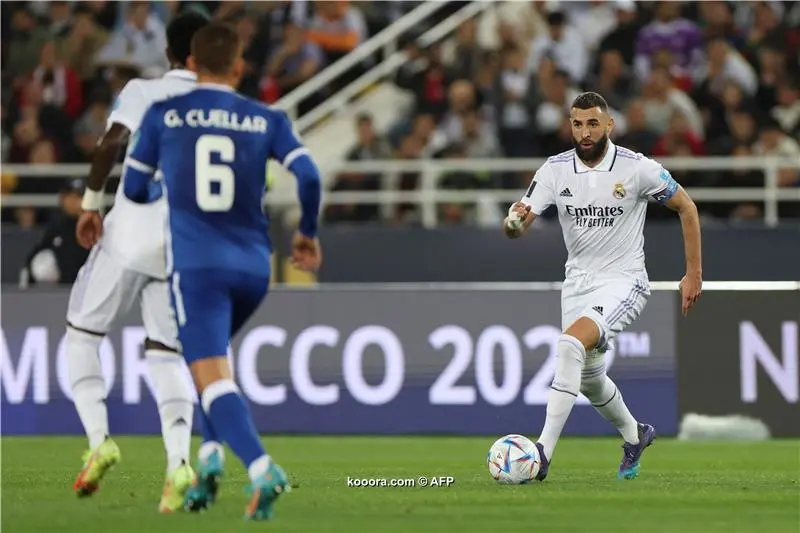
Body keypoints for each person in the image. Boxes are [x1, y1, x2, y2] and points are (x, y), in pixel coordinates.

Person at [122, 22, 322, 520]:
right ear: (239, 67)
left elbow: (132, 188)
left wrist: (162, 193)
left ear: (189, 64)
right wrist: (309, 234)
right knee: (212, 367)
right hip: (254, 268)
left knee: (208, 375)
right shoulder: (266, 117)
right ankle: (209, 465)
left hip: (198, 268)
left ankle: (260, 468)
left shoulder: (164, 114)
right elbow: (310, 175)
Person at [505, 92, 702, 480]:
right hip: (577, 283)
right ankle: (635, 434)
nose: (585, 131)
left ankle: (540, 454)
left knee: (568, 345)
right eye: (577, 124)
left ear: (609, 124)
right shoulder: (554, 170)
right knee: (591, 381)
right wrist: (514, 220)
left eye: (593, 123)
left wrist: (693, 273)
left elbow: (687, 208)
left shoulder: (637, 168)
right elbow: (520, 220)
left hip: (624, 281)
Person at [67, 12, 209, 512]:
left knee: (82, 334)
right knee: (166, 354)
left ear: (169, 52)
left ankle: (99, 438)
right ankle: (177, 464)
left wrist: (89, 206)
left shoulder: (142, 91)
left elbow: (111, 144)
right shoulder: (223, 107)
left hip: (130, 231)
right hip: (183, 243)